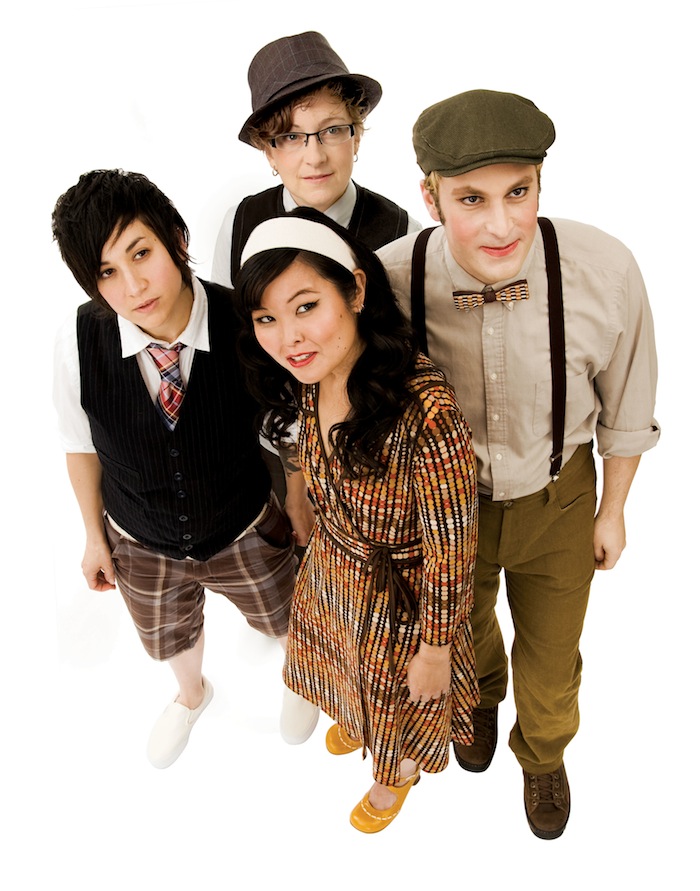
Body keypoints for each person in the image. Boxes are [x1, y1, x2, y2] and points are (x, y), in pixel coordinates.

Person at [377, 89, 660, 839]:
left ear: (540, 184)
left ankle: (543, 753)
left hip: (559, 498)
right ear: (431, 197)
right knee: (460, 627)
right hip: (444, 509)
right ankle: (477, 699)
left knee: (554, 657)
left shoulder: (605, 268)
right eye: (471, 199)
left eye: (518, 192)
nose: (501, 224)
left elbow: (629, 402)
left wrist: (612, 510)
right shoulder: (390, 280)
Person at [51, 169, 319, 769]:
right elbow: (78, 442)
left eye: (140, 253)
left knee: (285, 615)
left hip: (243, 522)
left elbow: (292, 419)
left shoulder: (246, 321)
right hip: (138, 537)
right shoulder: (78, 340)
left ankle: (302, 676)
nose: (133, 286)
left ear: (176, 238)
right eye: (106, 273)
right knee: (169, 634)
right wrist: (93, 535)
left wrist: (299, 496)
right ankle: (192, 694)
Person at [235, 208, 480, 833]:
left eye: (306, 306)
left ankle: (395, 772)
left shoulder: (424, 411)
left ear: (356, 291)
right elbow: (307, 455)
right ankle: (361, 715)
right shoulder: (311, 374)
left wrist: (435, 649)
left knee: (403, 697)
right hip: (335, 572)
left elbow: (453, 549)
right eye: (266, 318)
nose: (288, 337)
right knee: (347, 671)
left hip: (403, 598)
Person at [211, 31, 420, 290]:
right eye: (291, 136)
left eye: (332, 130)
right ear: (269, 152)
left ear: (356, 136)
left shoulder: (404, 235)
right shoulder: (237, 226)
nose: (315, 157)